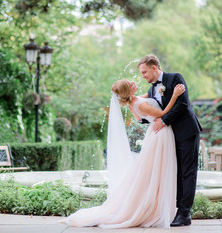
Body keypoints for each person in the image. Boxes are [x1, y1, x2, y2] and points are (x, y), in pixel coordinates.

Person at [64, 79, 185, 229]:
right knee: (155, 172)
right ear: (128, 91)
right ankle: (153, 207)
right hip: (160, 134)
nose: (134, 82)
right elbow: (163, 113)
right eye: (130, 84)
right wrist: (175, 94)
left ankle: (158, 205)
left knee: (151, 172)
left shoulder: (133, 102)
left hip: (155, 134)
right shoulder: (139, 104)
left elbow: (139, 116)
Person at [137, 54, 202, 227]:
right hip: (170, 137)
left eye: (144, 72)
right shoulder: (151, 90)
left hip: (187, 132)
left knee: (188, 172)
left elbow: (182, 104)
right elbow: (151, 115)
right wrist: (136, 111)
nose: (143, 75)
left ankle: (184, 212)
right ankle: (179, 212)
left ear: (154, 68)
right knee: (177, 173)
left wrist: (164, 121)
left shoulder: (175, 78)